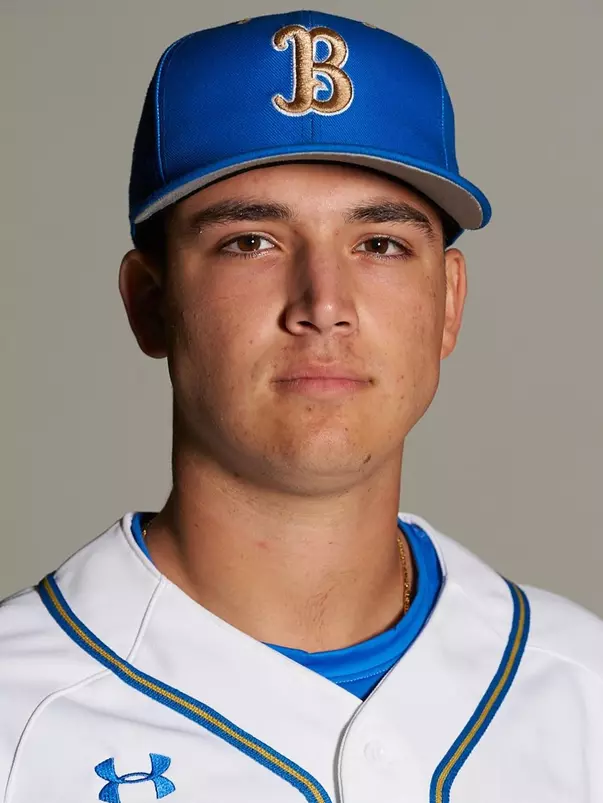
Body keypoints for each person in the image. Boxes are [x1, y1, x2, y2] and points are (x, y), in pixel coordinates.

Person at [1, 9, 602, 802]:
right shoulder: (17, 711)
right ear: (150, 303)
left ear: (448, 302)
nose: (323, 303)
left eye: (379, 244)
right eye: (251, 240)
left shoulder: (582, 690)